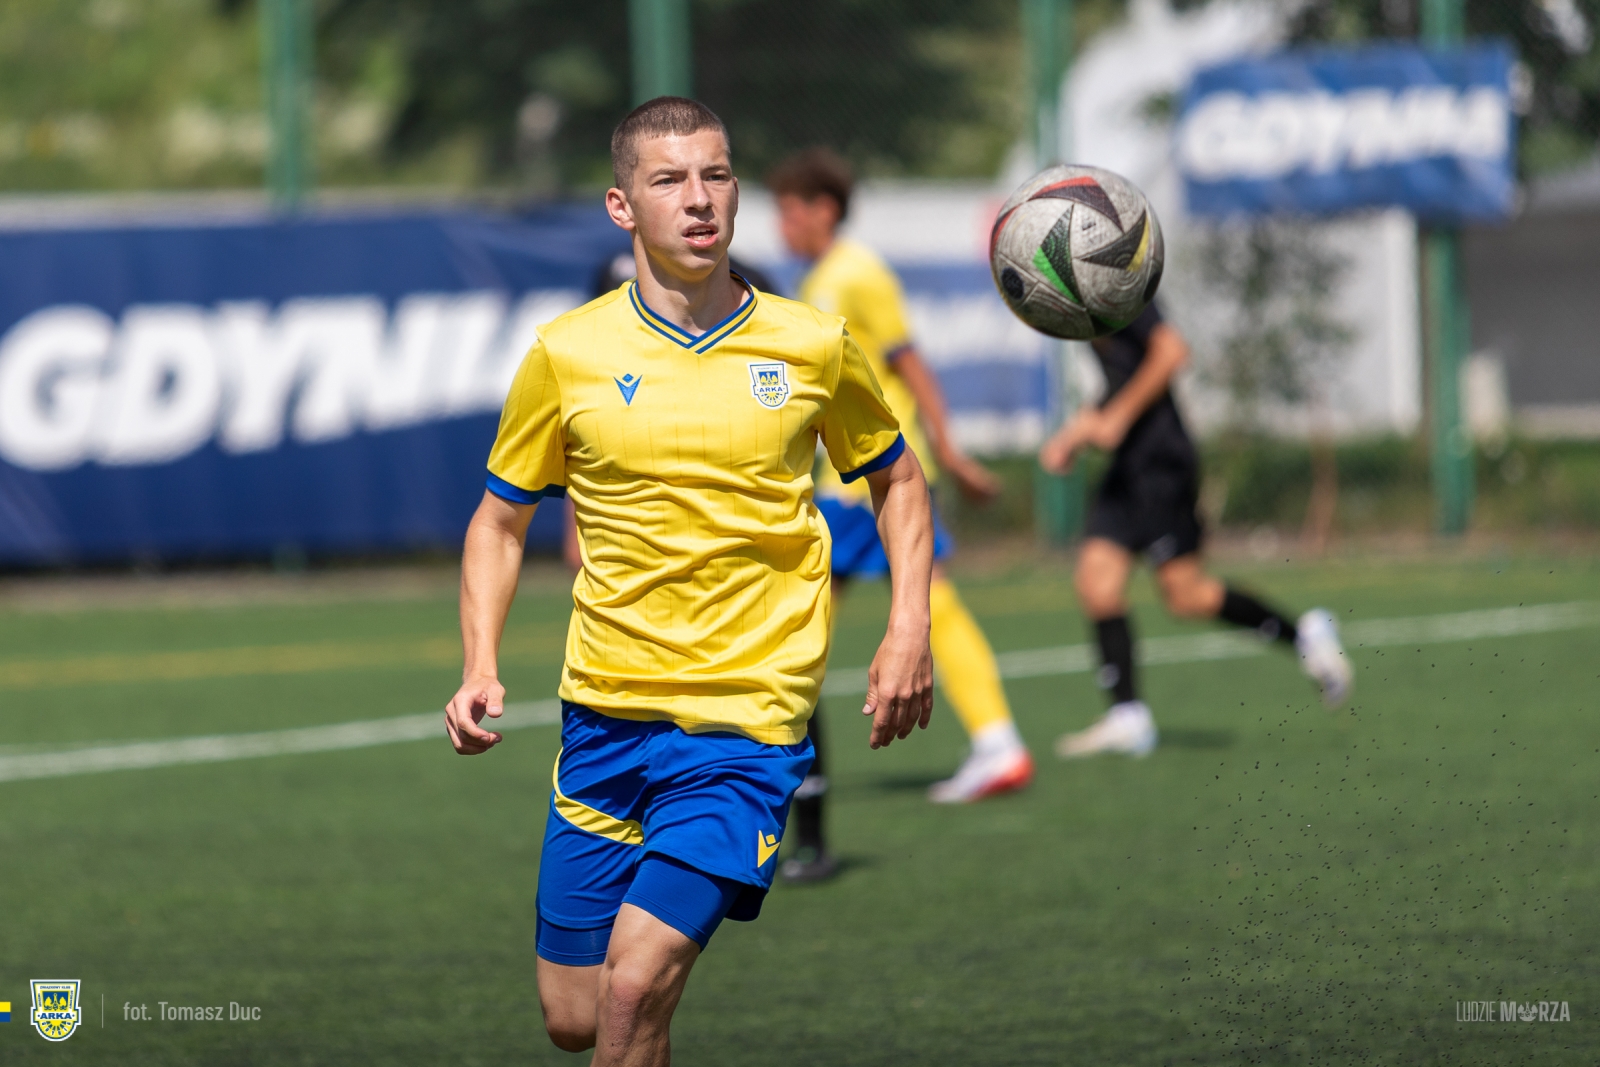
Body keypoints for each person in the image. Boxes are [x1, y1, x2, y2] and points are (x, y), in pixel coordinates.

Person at [444, 98, 936, 1065]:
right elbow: (499, 521)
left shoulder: (812, 343)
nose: (698, 198)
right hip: (603, 720)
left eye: (715, 175)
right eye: (669, 180)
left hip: (744, 726)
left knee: (633, 988)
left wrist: (906, 625)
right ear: (622, 206)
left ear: (738, 194)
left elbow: (899, 479)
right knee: (578, 1015)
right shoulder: (566, 353)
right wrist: (479, 662)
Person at [766, 147, 1033, 882]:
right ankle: (997, 741)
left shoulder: (856, 273)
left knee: (799, 619)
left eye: (789, 210)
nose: (781, 225)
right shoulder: (824, 277)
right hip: (854, 476)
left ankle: (767, 758)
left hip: (870, 480)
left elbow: (910, 365)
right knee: (905, 604)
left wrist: (949, 450)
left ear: (823, 210)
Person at [1038, 303, 1352, 758]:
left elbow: (1171, 352)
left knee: (1186, 596)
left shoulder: (1122, 288)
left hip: (1162, 464)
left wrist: (1117, 417)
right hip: (1127, 468)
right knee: (1096, 583)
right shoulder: (1079, 303)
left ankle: (1306, 635)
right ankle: (1128, 718)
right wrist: (1075, 434)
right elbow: (1122, 379)